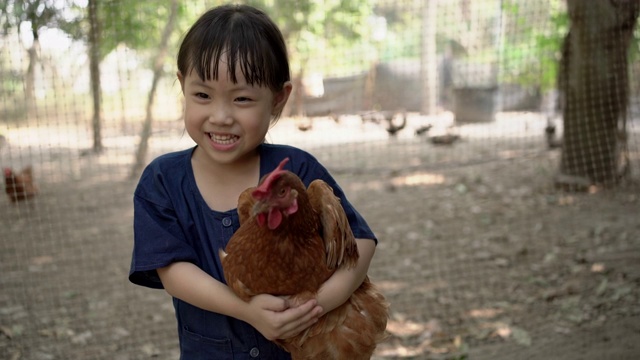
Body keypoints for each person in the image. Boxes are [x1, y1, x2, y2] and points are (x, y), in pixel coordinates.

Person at [128, 4, 378, 359]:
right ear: (182, 85)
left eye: (242, 98)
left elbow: (361, 244)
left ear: (278, 99)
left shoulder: (300, 173)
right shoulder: (163, 180)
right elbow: (171, 270)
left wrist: (311, 308)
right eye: (202, 95)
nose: (221, 116)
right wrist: (245, 309)